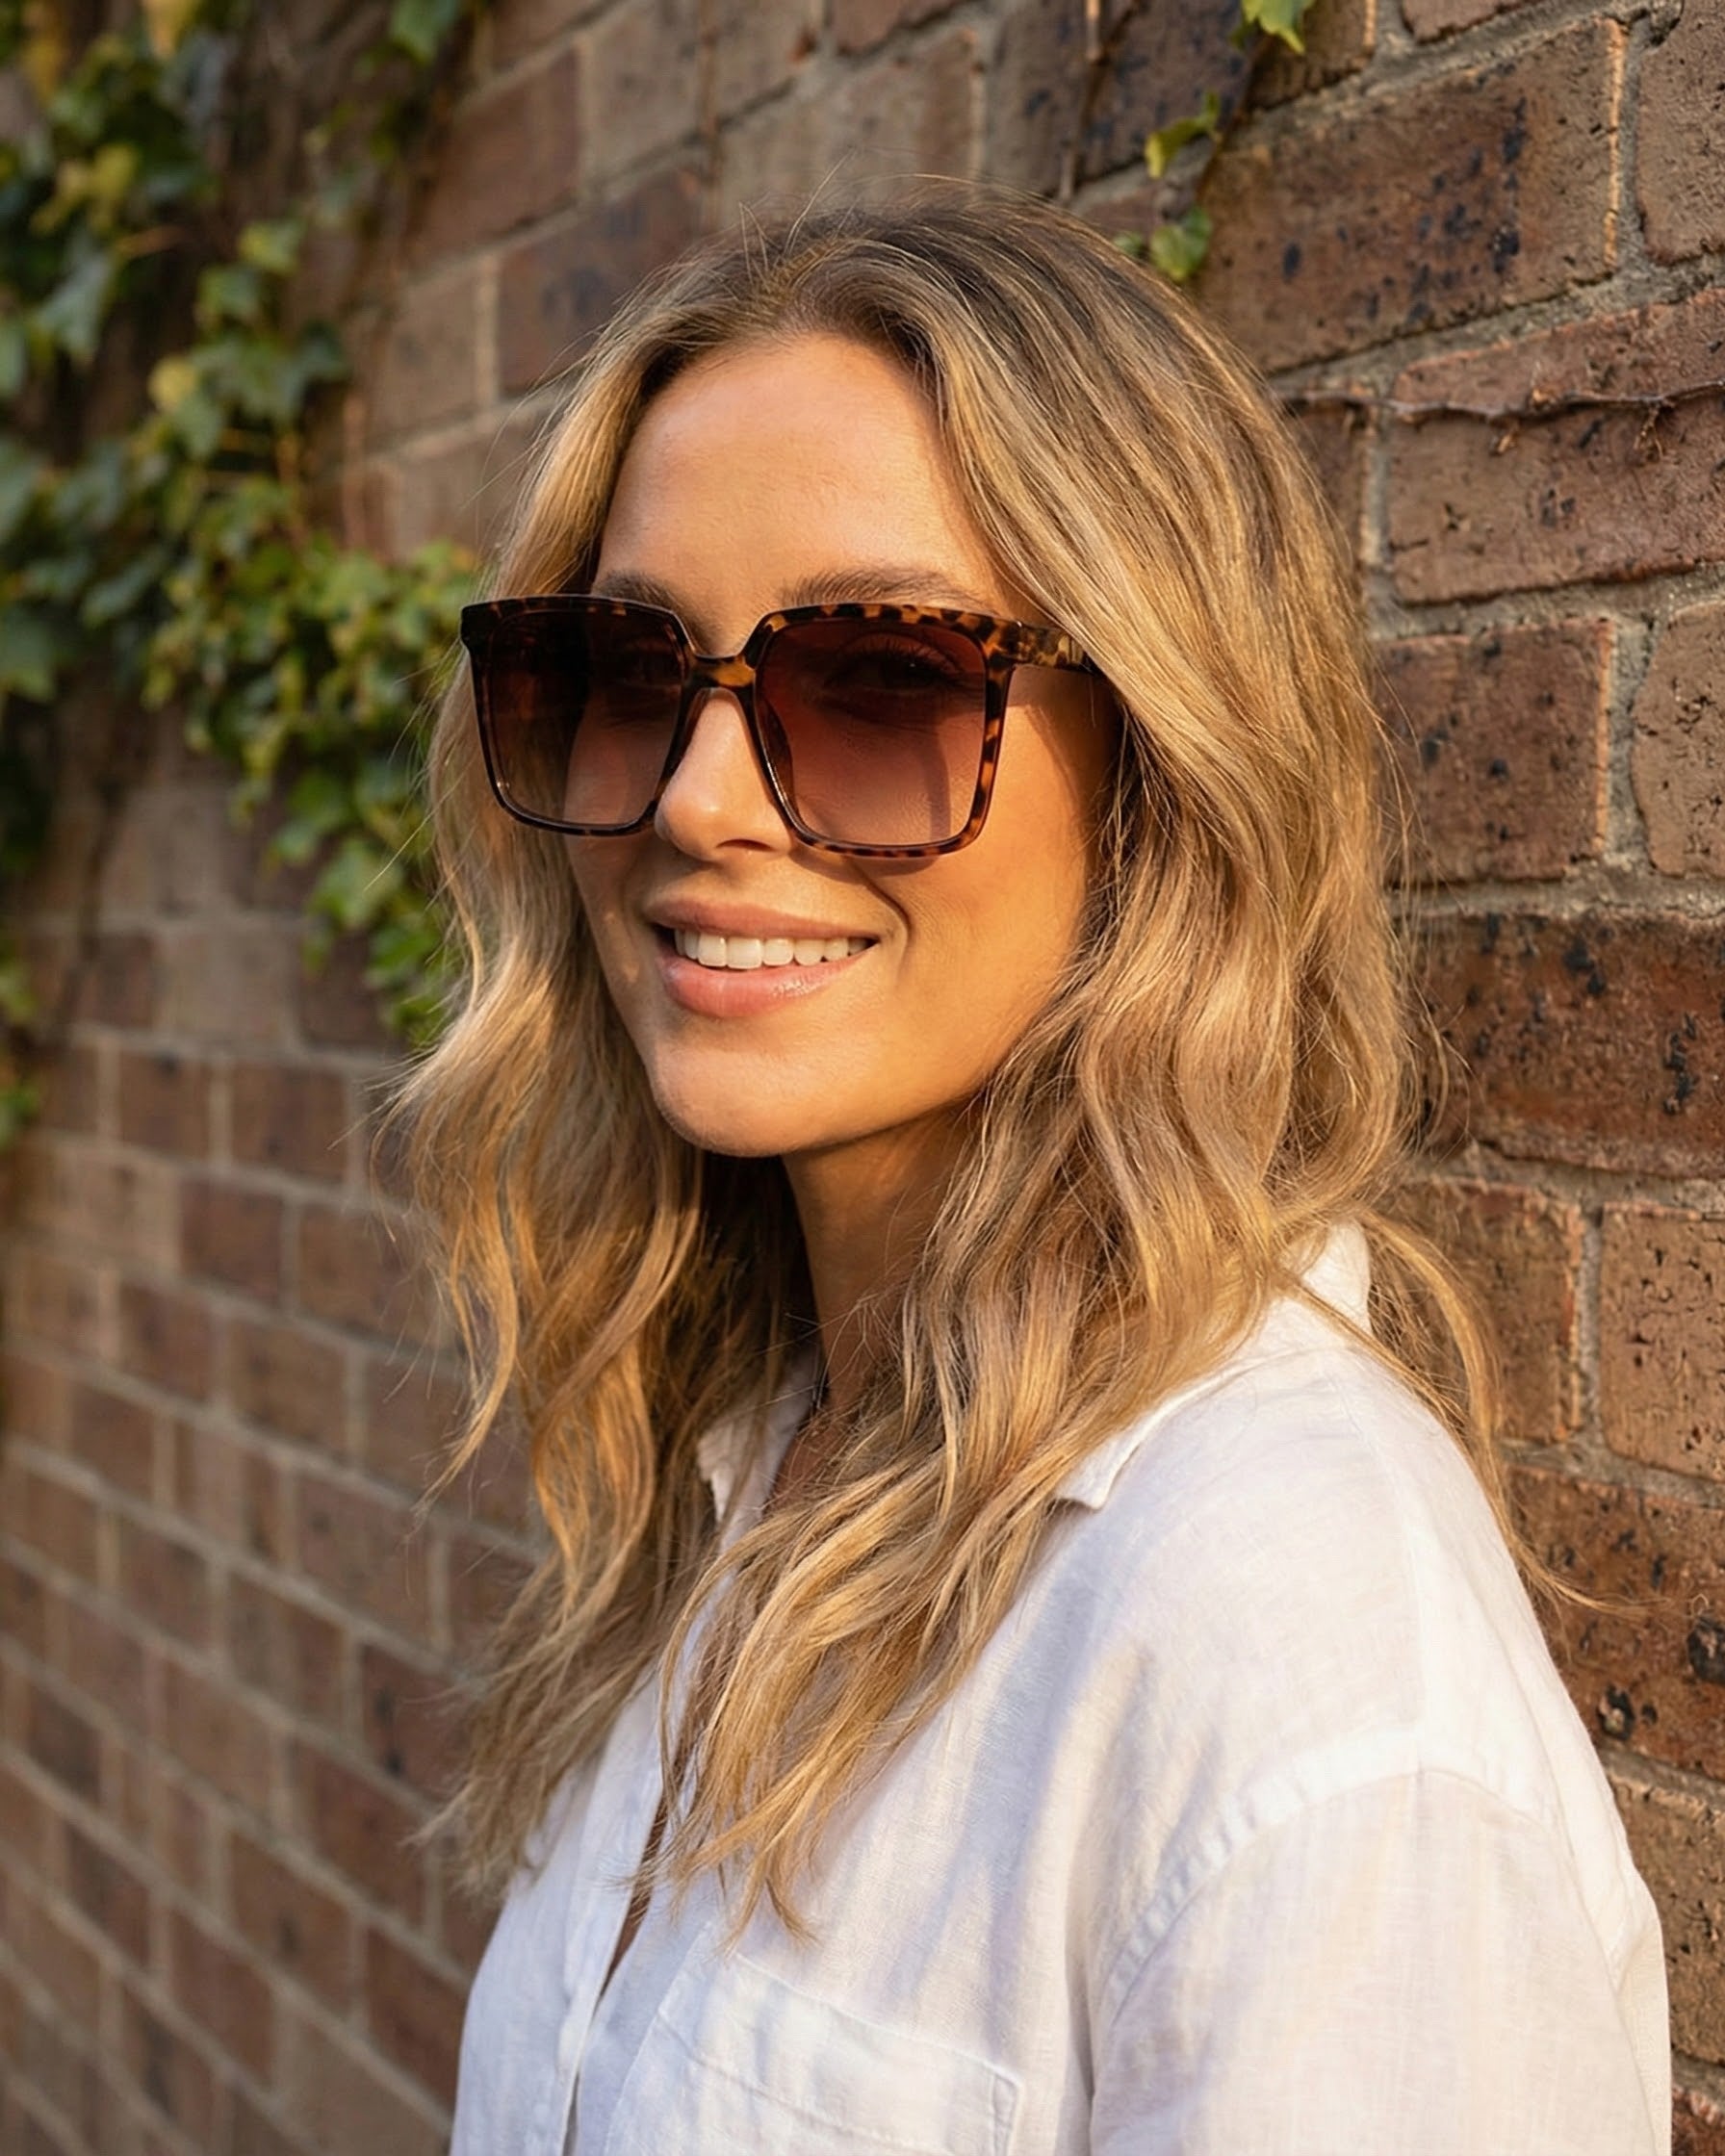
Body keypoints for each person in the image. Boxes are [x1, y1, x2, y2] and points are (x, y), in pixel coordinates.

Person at [404, 185, 1672, 2154]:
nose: (698, 801)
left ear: (1160, 769)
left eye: (880, 680)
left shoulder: (1295, 1656)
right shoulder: (755, 1447)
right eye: (624, 673)